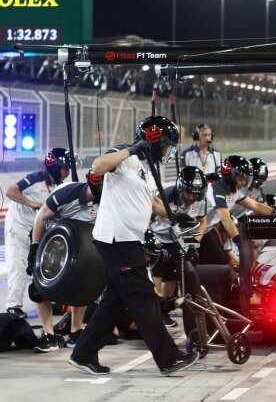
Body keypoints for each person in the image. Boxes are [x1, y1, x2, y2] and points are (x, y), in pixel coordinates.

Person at [69, 115, 198, 377]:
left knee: (116, 301)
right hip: (117, 240)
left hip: (130, 239)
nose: (167, 151)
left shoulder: (147, 167)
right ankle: (168, 358)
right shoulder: (124, 156)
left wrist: (174, 215)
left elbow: (151, 203)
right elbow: (98, 166)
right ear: (153, 140)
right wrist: (132, 148)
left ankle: (83, 353)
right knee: (143, 298)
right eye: (165, 144)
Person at [28, 168, 103, 352]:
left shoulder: (106, 202)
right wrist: (35, 248)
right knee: (39, 288)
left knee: (85, 283)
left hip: (84, 240)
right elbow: (41, 218)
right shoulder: (66, 193)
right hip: (53, 237)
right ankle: (49, 335)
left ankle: (75, 331)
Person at [4, 148, 72, 318]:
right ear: (55, 167)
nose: (68, 172)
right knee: (18, 266)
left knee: (45, 265)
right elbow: (10, 191)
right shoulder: (35, 178)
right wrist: (31, 203)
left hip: (37, 230)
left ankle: (48, 299)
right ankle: (14, 306)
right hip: (18, 227)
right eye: (65, 168)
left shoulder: (59, 186)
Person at [149, 166, 207, 328]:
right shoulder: (166, 195)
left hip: (179, 238)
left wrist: (196, 241)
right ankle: (154, 312)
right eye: (189, 192)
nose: (192, 197)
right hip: (158, 236)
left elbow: (203, 222)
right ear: (181, 187)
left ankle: (164, 310)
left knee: (172, 277)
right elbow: (147, 219)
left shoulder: (201, 199)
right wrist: (149, 240)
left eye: (196, 193)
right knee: (157, 273)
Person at [201, 155, 276, 266]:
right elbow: (225, 218)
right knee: (218, 264)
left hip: (206, 229)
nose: (244, 182)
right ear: (230, 174)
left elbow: (257, 206)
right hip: (196, 231)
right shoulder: (217, 189)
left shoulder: (233, 191)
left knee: (220, 262)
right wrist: (238, 239)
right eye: (241, 178)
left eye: (245, 179)